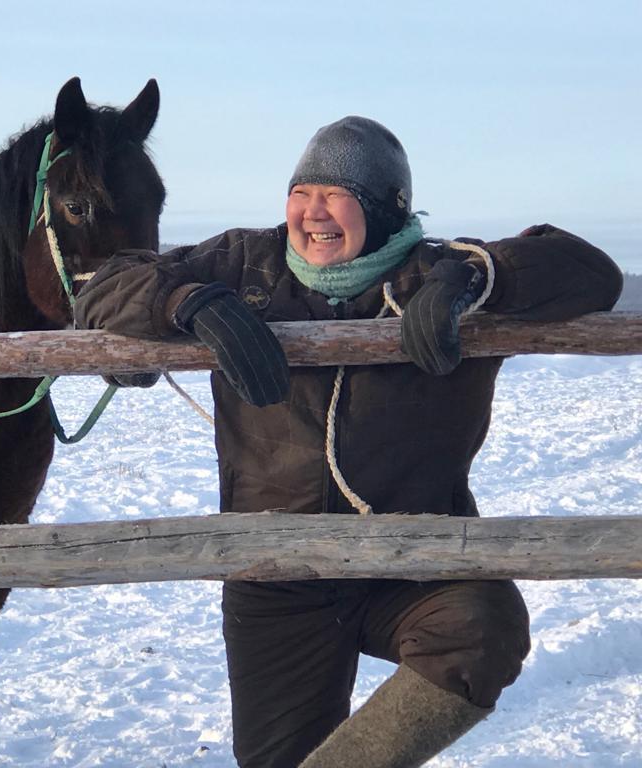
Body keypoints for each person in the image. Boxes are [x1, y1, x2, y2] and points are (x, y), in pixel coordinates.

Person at [74, 116, 623, 768]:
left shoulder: (440, 274)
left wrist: (473, 281)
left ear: (387, 208)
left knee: (482, 630)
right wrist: (189, 302)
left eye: (337, 195)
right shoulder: (242, 263)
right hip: (277, 570)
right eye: (301, 193)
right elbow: (105, 287)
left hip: (413, 558)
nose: (313, 213)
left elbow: (589, 271)